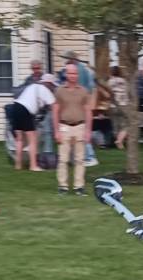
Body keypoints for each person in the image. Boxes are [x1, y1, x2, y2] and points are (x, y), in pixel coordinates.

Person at [52, 63, 92, 196]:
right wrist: (56, 130)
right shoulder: (59, 91)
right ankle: (62, 186)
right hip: (64, 127)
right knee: (63, 159)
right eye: (70, 73)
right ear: (66, 74)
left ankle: (79, 187)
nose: (72, 76)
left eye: (74, 73)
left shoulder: (83, 91)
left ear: (77, 75)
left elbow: (88, 111)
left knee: (80, 159)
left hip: (80, 126)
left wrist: (88, 131)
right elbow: (55, 110)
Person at [59, 51, 99, 167]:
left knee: (80, 130)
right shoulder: (85, 70)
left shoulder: (77, 71)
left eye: (67, 59)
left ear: (72, 59)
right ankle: (78, 157)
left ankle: (89, 157)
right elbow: (91, 87)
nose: (65, 61)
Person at [10, 73, 57, 171]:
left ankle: (18, 165)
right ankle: (33, 165)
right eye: (52, 85)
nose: (52, 87)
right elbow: (54, 106)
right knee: (33, 140)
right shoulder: (45, 90)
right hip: (25, 110)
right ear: (49, 83)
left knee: (19, 139)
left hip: (15, 107)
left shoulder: (33, 86)